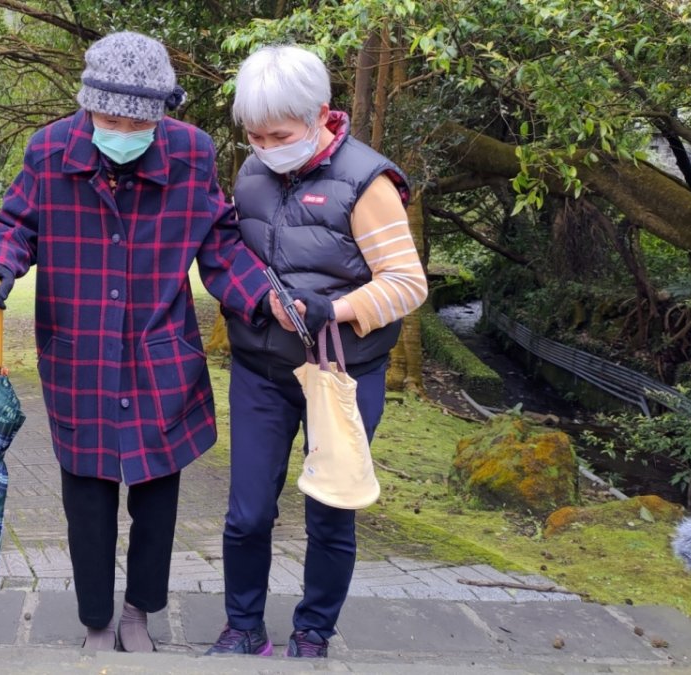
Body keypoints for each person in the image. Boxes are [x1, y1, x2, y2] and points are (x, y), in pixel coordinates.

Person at [0, 31, 272, 652]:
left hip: (160, 357)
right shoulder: (51, 150)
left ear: (160, 114)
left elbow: (220, 243)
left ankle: (140, 611)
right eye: (110, 117)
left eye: (139, 120)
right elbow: (12, 224)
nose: (123, 129)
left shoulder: (191, 154)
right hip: (78, 356)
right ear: (87, 105)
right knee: (88, 498)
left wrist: (265, 297)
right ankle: (97, 622)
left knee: (158, 498)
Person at [206, 45, 429, 658]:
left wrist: (338, 308)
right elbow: (235, 257)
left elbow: (409, 284)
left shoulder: (367, 181)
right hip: (261, 370)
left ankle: (313, 633)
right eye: (253, 134)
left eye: (278, 133)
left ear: (319, 116)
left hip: (342, 375)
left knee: (331, 513)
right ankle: (243, 627)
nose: (265, 145)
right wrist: (254, 299)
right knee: (247, 513)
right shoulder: (251, 173)